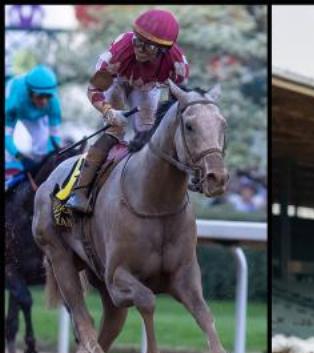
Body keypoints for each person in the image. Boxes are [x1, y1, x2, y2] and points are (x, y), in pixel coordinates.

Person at [66, 8, 189, 213]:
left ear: (163, 50)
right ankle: (79, 191)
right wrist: (108, 111)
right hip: (117, 81)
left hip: (149, 87)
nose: (139, 49)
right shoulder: (118, 52)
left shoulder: (178, 65)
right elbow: (94, 89)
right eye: (137, 40)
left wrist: (160, 125)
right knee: (116, 128)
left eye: (147, 46)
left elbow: (176, 104)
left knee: (149, 132)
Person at [5, 65, 62, 190]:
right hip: (15, 105)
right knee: (8, 155)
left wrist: (50, 157)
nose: (44, 101)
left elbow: (55, 138)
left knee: (43, 150)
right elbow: (6, 136)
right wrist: (20, 157)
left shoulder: (54, 103)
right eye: (40, 96)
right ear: (29, 92)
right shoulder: (13, 102)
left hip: (36, 115)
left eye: (48, 96)